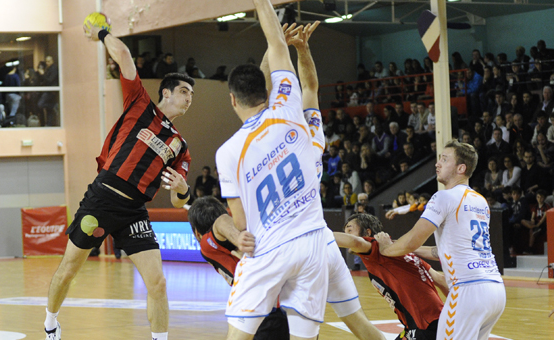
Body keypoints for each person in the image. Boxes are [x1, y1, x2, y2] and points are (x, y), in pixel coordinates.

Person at [217, 6, 380, 339]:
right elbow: (303, 79)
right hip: (315, 241)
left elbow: (241, 222)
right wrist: (298, 46)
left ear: (233, 100)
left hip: (274, 246)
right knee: (350, 325)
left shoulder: (229, 151)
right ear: (269, 93)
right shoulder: (302, 124)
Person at [44, 18, 195, 340]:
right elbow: (124, 55)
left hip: (134, 212)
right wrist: (100, 32)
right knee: (69, 269)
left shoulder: (180, 146)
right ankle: (50, 322)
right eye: (183, 91)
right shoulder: (139, 103)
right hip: (102, 198)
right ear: (165, 93)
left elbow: (178, 201)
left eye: (191, 93)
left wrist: (183, 190)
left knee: (158, 282)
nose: (189, 97)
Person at [376, 140, 505, 340]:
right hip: (495, 290)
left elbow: (413, 239)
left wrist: (385, 249)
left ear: (461, 168)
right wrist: (411, 250)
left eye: (444, 160)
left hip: (467, 290)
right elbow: (446, 250)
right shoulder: (480, 200)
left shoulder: (443, 197)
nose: (437, 164)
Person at [188, 196, 289, 340]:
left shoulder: (206, 242)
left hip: (267, 307)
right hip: (283, 304)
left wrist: (240, 239)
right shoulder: (219, 242)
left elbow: (221, 221)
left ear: (196, 233)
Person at [335, 213, 448, 340]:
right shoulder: (405, 254)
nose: (346, 235)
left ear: (367, 232)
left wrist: (318, 233)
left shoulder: (376, 248)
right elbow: (441, 280)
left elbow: (354, 241)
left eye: (349, 230)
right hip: (431, 322)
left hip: (424, 325)